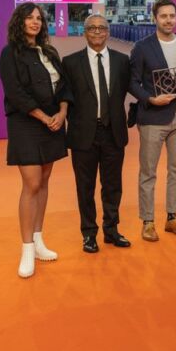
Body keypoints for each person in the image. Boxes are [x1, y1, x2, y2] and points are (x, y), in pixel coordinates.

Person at [0, 3, 70, 278]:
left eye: (39, 18)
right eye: (29, 18)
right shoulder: (10, 54)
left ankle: (38, 240)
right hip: (26, 123)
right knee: (32, 183)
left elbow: (64, 85)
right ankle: (26, 248)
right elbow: (15, 93)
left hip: (53, 123)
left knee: (45, 180)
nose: (35, 22)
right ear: (20, 21)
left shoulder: (49, 52)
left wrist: (62, 112)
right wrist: (43, 117)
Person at [61, 13, 132, 254]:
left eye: (102, 28)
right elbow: (64, 98)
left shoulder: (123, 61)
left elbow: (132, 89)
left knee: (113, 186)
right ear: (85, 32)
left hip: (114, 133)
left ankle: (111, 231)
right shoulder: (70, 63)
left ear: (108, 32)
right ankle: (89, 234)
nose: (98, 32)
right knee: (85, 187)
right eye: (92, 28)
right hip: (83, 136)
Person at [129, 0, 176, 240]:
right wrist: (150, 99)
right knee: (148, 172)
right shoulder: (142, 47)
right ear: (155, 18)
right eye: (164, 16)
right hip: (153, 118)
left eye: (172, 16)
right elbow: (132, 82)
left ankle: (172, 218)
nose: (169, 20)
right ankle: (147, 221)